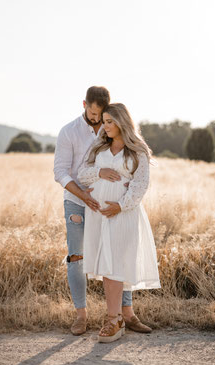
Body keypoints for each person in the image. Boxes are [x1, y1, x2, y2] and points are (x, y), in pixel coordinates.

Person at [54, 87, 152, 336]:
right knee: (78, 257)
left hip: (113, 209)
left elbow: (139, 179)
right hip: (79, 201)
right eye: (95, 114)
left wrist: (121, 198)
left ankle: (125, 314)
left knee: (119, 255)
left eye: (105, 118)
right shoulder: (70, 132)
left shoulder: (125, 141)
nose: (99, 121)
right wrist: (86, 193)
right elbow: (63, 172)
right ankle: (82, 316)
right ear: (84, 104)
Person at [77, 103, 161, 343]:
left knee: (115, 262)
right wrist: (100, 172)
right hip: (98, 213)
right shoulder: (99, 145)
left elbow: (140, 184)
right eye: (104, 121)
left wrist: (120, 205)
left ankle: (114, 319)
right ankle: (115, 319)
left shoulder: (138, 151)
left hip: (123, 213)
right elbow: (82, 172)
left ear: (122, 121)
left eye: (110, 121)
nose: (105, 126)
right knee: (106, 263)